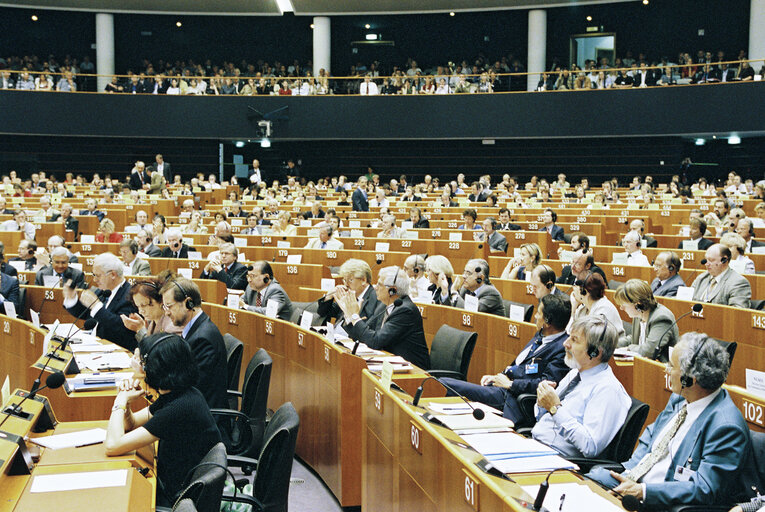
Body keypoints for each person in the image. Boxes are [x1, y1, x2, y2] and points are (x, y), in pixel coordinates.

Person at [587, 333, 753, 509]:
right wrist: (630, 472)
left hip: (663, 501)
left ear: (689, 379)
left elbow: (703, 487)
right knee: (594, 477)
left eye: (671, 366)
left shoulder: (726, 426)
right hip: (635, 483)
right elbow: (651, 435)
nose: (666, 370)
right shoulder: (679, 399)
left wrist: (643, 490)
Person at [104, 333, 222, 508]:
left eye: (143, 364)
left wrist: (119, 400)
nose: (141, 369)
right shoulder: (180, 393)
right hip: (175, 481)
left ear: (156, 369)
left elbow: (112, 446)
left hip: (174, 495)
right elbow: (132, 423)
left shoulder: (178, 408)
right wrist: (127, 403)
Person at [440, 294, 571, 423]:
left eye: (538, 313)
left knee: (444, 384)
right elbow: (519, 364)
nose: (535, 317)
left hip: (512, 398)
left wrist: (510, 384)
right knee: (442, 385)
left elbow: (546, 385)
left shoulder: (562, 349)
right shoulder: (540, 335)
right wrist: (497, 377)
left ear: (547, 321)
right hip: (502, 387)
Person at [531, 316, 631, 458]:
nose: (565, 343)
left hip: (558, 459)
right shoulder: (574, 374)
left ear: (595, 352)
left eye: (574, 340)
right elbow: (545, 418)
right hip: (537, 445)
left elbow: (590, 446)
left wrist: (555, 408)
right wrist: (543, 401)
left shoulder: (608, 389)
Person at [335, 266, 431, 370]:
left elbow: (375, 341)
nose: (375, 287)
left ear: (392, 291)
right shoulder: (384, 306)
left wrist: (354, 316)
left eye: (380, 284)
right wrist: (348, 314)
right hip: (390, 363)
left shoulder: (405, 311)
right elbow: (366, 336)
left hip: (414, 370)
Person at [160, 278, 227, 409]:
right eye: (164, 307)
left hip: (204, 419)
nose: (166, 312)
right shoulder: (197, 329)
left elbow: (189, 387)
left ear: (188, 303)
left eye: (169, 306)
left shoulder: (203, 339)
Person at [63, 252, 138, 351]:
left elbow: (120, 327)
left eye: (98, 275)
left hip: (116, 351)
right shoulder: (102, 291)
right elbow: (86, 314)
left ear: (113, 275)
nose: (94, 280)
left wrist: (96, 306)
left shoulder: (130, 295)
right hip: (94, 345)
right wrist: (71, 298)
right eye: (94, 275)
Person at [614, 279, 678, 361]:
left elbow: (649, 351)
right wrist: (611, 344)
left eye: (624, 305)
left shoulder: (661, 317)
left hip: (659, 368)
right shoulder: (639, 314)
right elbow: (634, 338)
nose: (621, 308)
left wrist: (629, 348)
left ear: (638, 304)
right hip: (642, 364)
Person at [317, 259, 385, 332]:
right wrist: (328, 297)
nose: (346, 284)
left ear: (363, 280)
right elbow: (322, 313)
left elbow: (370, 328)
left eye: (350, 280)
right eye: (344, 280)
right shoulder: (349, 294)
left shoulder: (377, 298)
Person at [121, 275, 183, 342]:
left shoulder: (172, 327)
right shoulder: (152, 322)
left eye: (144, 305)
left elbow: (158, 349)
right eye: (138, 306)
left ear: (161, 301)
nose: (140, 311)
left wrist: (140, 329)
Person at [691, 244, 751, 308]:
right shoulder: (701, 278)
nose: (707, 264)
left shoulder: (738, 282)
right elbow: (687, 300)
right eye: (706, 260)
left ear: (724, 260)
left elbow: (737, 312)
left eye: (711, 260)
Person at [567, 272, 624, 337]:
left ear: (584, 291)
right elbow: (570, 332)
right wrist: (573, 308)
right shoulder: (583, 308)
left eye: (574, 286)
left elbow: (593, 339)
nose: (573, 290)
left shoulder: (604, 310)